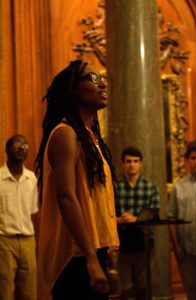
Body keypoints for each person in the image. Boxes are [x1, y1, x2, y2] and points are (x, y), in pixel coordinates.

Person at [35, 59, 119, 300]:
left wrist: (104, 253)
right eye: (93, 79)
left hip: (91, 249)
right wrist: (92, 259)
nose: (102, 84)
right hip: (74, 255)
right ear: (73, 88)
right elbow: (66, 196)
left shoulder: (90, 138)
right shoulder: (65, 134)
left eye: (102, 78)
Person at [115, 146, 160, 300]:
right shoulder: (116, 187)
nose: (132, 165)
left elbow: (155, 215)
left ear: (141, 164)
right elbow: (108, 216)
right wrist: (119, 219)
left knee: (144, 289)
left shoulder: (150, 186)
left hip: (144, 245)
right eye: (128, 161)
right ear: (123, 164)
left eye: (135, 161)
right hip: (122, 245)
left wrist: (135, 219)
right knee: (125, 290)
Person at [0, 134, 38, 300]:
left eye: (25, 145)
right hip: (4, 241)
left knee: (29, 292)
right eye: (17, 144)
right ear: (7, 150)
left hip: (28, 241)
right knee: (5, 291)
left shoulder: (31, 178)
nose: (22, 148)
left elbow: (32, 209)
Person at [168, 140, 196, 300]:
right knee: (192, 291)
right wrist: (176, 246)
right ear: (188, 161)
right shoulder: (178, 187)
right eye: (193, 158)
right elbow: (171, 218)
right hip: (186, 251)